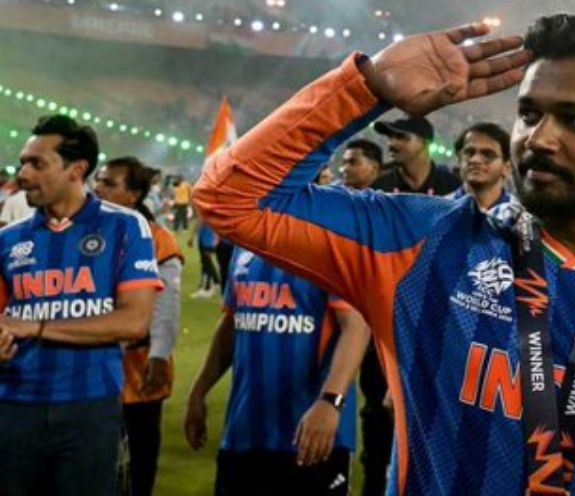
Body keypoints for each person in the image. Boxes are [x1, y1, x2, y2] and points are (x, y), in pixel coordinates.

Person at [193, 15, 575, 494]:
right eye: (529, 114)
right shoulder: (421, 244)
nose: (539, 138)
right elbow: (229, 198)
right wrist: (366, 88)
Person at [0, 115, 162, 496]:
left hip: (88, 407)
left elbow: (134, 322)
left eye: (37, 164)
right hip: (13, 406)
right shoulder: (8, 239)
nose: (23, 174)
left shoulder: (125, 227)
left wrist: (36, 328)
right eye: (23, 163)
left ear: (77, 170)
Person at [184, 246, 370, 495]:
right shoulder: (245, 243)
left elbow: (357, 326)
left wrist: (331, 400)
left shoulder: (331, 240)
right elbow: (231, 321)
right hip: (244, 435)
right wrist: (199, 390)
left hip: (313, 438)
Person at [94, 156, 184, 496]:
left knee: (139, 458)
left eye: (108, 183)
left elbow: (166, 307)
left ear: (133, 194)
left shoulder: (158, 240)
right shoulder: (92, 234)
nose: (97, 188)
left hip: (138, 367)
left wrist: (159, 356)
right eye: (98, 180)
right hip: (93, 367)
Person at [338, 137, 393, 496]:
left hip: (382, 330)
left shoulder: (389, 211)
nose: (345, 169)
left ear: (375, 168)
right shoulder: (337, 207)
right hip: (342, 324)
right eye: (343, 162)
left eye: (353, 162)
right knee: (371, 413)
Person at [371, 115, 461, 196]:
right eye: (390, 137)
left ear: (424, 143)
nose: (391, 144)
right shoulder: (380, 190)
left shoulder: (453, 187)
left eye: (401, 137)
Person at [451, 121, 513, 211]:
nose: (475, 160)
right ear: (458, 160)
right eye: (469, 153)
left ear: (506, 167)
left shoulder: (520, 216)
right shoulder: (437, 211)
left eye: (488, 154)